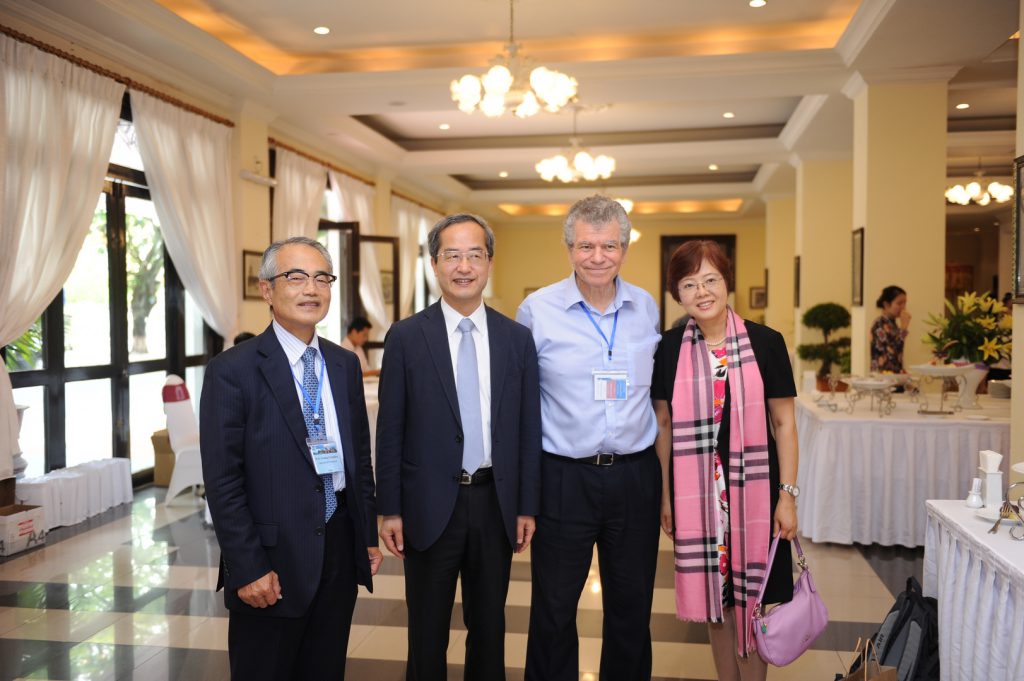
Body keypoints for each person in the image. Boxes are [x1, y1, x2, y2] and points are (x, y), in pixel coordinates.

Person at [200, 236, 382, 681]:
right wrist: (248, 566)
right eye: (296, 277)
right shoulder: (233, 370)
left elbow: (358, 458)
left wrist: (365, 535)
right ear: (267, 289)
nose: (311, 289)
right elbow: (223, 482)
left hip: (338, 544)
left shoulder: (342, 364)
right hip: (271, 556)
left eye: (322, 278)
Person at [376, 214, 541, 681]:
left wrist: (526, 506)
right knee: (426, 632)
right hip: (428, 504)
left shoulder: (516, 339)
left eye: (474, 255)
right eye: (452, 255)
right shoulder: (406, 337)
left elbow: (528, 428)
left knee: (489, 628)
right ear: (434, 263)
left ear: (489, 262)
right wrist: (389, 509)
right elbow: (390, 429)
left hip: (494, 502)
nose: (463, 266)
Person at [518, 195, 662, 681]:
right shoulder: (536, 311)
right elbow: (519, 406)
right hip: (564, 478)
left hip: (635, 477)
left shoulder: (645, 307)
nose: (597, 257)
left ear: (624, 248)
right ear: (569, 249)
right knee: (554, 608)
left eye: (609, 246)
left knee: (632, 606)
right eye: (585, 246)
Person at [653, 240, 798, 681]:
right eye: (689, 284)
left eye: (710, 279)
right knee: (716, 605)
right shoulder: (670, 348)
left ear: (727, 282)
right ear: (677, 294)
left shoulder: (766, 342)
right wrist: (665, 496)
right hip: (697, 496)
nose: (702, 292)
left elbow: (784, 424)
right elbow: (662, 425)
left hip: (755, 495)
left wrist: (787, 496)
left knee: (752, 603)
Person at [870, 285, 910, 372]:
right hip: (882, 375)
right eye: (899, 303)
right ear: (886, 305)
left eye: (904, 303)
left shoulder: (892, 323)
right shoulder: (879, 324)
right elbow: (891, 353)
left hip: (894, 374)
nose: (903, 307)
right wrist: (903, 329)